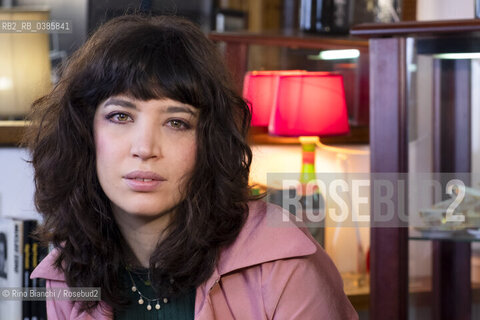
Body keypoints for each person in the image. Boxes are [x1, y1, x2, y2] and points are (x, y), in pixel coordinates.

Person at [26, 14, 357, 319]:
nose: (145, 149)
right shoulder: (67, 273)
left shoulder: (285, 266)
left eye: (176, 122)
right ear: (85, 133)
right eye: (120, 116)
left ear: (208, 143)